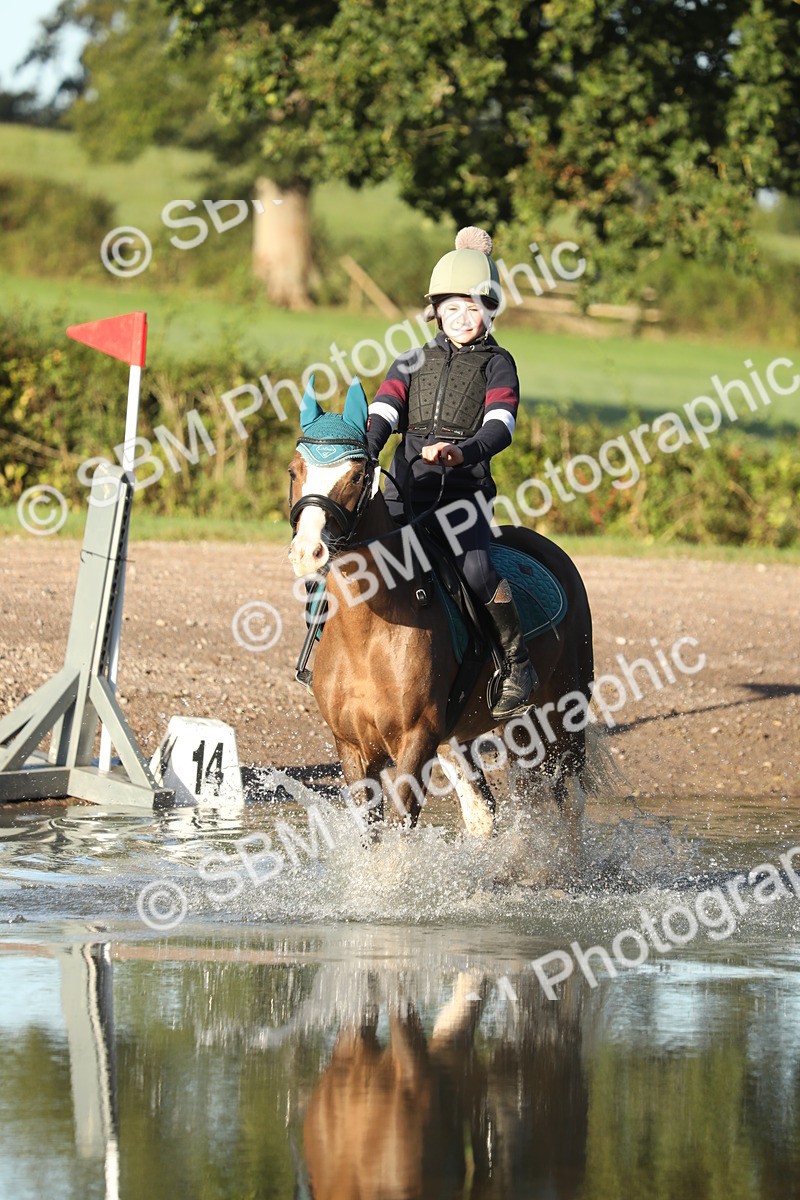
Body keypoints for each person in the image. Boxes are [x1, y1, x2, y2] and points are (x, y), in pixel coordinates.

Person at [366, 226, 537, 720]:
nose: (463, 318)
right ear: (436, 311)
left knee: (478, 569)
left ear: (489, 311)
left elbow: (500, 426)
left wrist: (463, 455)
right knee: (347, 549)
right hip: (402, 492)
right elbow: (384, 410)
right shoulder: (411, 359)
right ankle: (322, 644)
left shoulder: (498, 364)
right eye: (453, 308)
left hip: (461, 499)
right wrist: (369, 451)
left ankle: (517, 662)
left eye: (473, 308)